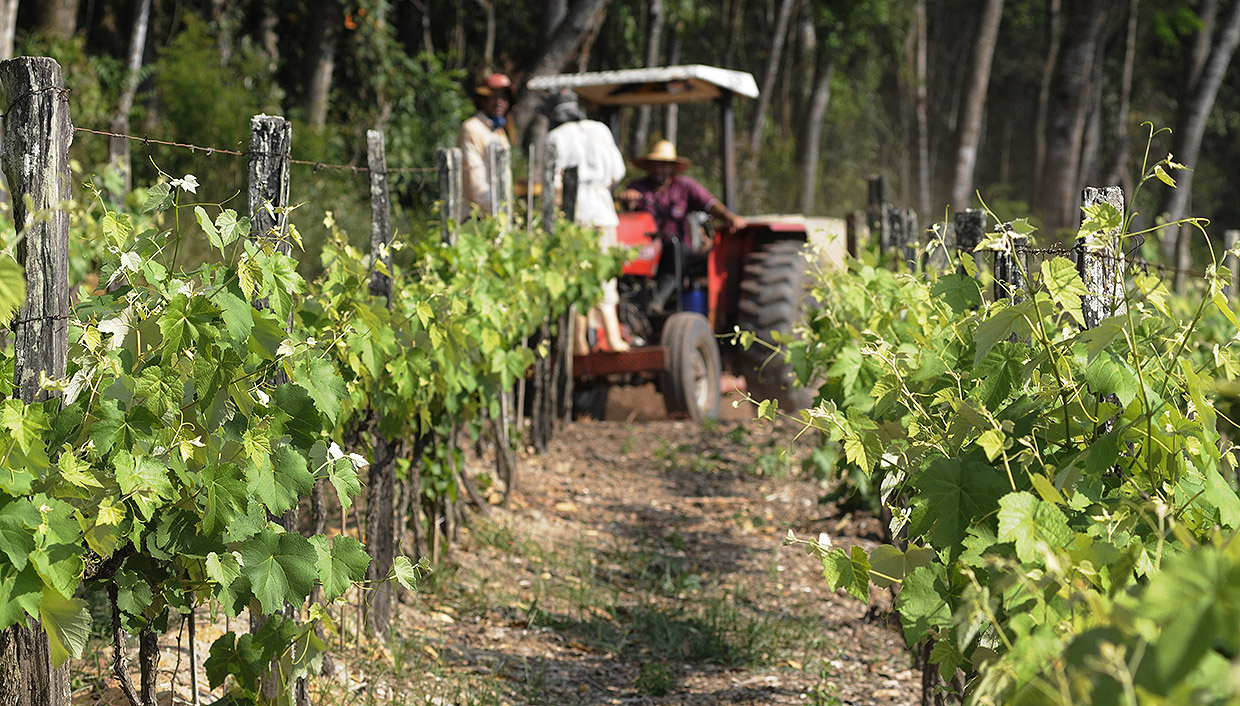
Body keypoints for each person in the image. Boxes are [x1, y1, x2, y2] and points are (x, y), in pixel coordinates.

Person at [543, 90, 630, 353]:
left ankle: (579, 343)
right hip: (603, 212)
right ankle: (614, 338)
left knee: (576, 277)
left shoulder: (554, 138)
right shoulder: (600, 130)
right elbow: (618, 172)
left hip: (575, 215)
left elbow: (552, 185)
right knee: (604, 274)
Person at [618, 140, 747, 312]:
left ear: (671, 168)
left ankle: (656, 301)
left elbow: (709, 203)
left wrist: (729, 217)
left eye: (663, 166)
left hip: (677, 248)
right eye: (655, 165)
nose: (659, 170)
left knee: (677, 250)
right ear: (648, 167)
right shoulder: (638, 187)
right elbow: (627, 210)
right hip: (645, 248)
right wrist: (627, 200)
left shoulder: (685, 187)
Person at [458, 72, 514, 217]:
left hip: (499, 213)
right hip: (477, 216)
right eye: (494, 96)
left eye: (504, 97)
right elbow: (475, 181)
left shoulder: (499, 131)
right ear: (482, 99)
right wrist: (495, 211)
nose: (499, 102)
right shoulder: (471, 128)